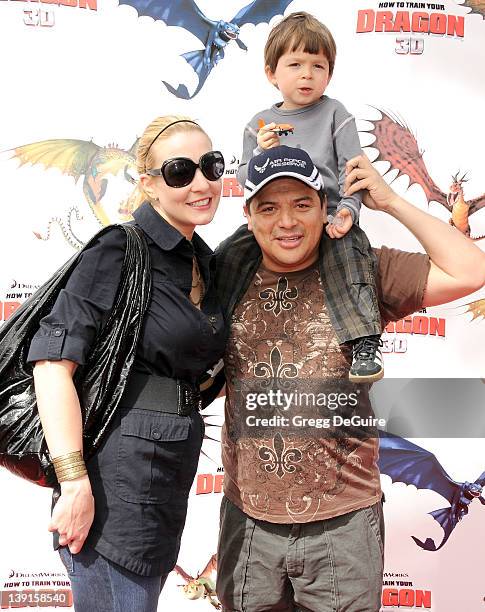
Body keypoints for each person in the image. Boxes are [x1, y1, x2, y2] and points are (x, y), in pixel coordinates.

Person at [214, 145, 485, 612]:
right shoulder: (225, 273)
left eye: (302, 204)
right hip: (249, 521)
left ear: (325, 208)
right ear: (248, 213)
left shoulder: (361, 269)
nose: (287, 222)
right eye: (269, 207)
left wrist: (393, 203)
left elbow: (471, 269)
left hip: (343, 526)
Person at [27, 116, 227, 612]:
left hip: (165, 477)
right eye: (180, 171)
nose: (201, 183)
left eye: (211, 165)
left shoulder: (203, 259)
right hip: (112, 483)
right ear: (149, 185)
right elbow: (52, 365)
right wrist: (73, 482)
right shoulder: (119, 248)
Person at [237, 11, 384, 383]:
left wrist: (348, 210)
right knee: (230, 255)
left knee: (351, 257)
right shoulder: (258, 122)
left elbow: (355, 170)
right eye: (296, 64)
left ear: (329, 74)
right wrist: (259, 153)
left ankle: (365, 343)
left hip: (329, 215)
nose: (307, 74)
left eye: (318, 66)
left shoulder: (336, 114)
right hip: (276, 221)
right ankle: (214, 347)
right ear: (272, 73)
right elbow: (242, 177)